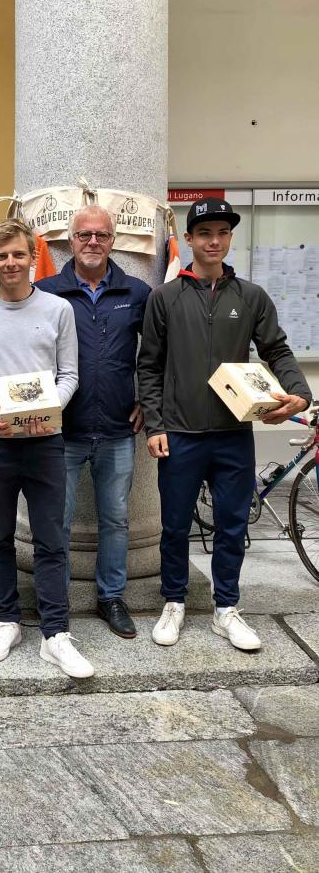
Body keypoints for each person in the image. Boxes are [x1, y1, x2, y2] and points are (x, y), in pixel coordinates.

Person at [138, 197, 311, 650]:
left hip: (235, 434)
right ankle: (173, 601)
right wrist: (154, 425)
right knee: (174, 525)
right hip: (180, 433)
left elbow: (278, 351)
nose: (214, 241)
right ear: (190, 239)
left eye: (222, 233)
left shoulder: (251, 297)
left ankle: (226, 609)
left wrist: (300, 393)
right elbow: (149, 367)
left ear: (230, 238)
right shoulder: (165, 298)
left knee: (233, 525)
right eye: (205, 233)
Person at [0, 218, 94, 678]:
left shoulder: (58, 309)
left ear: (32, 257)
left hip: (44, 442)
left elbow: (69, 375)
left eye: (19, 254)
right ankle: (7, 620)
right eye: (2, 256)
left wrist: (44, 408)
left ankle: (55, 632)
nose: (11, 263)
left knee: (50, 538)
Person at [37, 206, 150, 638]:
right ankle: (55, 599)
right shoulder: (46, 292)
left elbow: (156, 356)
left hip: (119, 429)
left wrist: (147, 402)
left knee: (116, 519)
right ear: (70, 239)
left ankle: (112, 597)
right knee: (57, 521)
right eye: (84, 234)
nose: (92, 242)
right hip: (61, 430)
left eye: (101, 235)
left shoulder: (136, 292)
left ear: (113, 239)